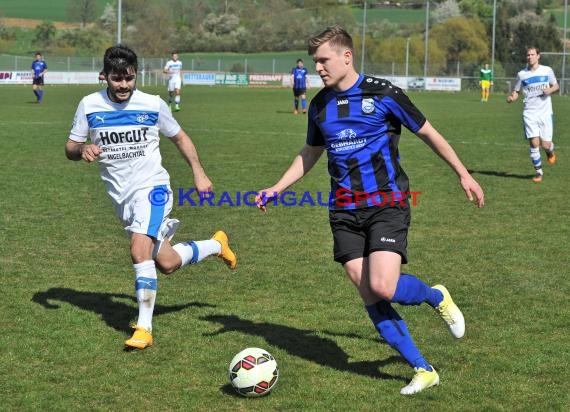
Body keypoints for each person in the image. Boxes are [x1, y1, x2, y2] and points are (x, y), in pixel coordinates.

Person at [255, 25, 484, 395]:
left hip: (386, 204)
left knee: (383, 285)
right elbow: (311, 152)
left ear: (346, 56)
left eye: (324, 60)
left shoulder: (384, 94)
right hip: (343, 211)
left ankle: (435, 296)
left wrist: (463, 174)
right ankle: (423, 369)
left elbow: (429, 133)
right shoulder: (318, 105)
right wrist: (277, 187)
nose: (319, 68)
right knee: (368, 292)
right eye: (315, 62)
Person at [65, 44, 237, 350]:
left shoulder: (153, 104)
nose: (124, 85)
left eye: (129, 78)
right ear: (104, 76)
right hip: (122, 198)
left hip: (154, 188)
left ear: (136, 75)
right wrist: (81, 150)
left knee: (138, 250)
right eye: (117, 79)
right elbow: (70, 147)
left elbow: (180, 137)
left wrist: (199, 172)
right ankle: (216, 244)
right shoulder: (89, 106)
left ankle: (143, 327)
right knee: (167, 263)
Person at [506, 46, 558, 183]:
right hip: (529, 113)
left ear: (538, 56)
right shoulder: (522, 74)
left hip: (546, 112)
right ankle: (539, 172)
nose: (530, 57)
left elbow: (556, 85)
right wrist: (512, 98)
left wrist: (550, 90)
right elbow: (516, 91)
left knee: (545, 145)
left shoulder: (547, 70)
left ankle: (550, 151)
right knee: (534, 143)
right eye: (528, 55)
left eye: (532, 54)